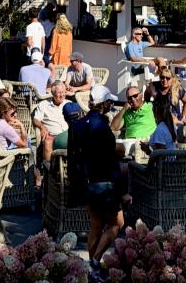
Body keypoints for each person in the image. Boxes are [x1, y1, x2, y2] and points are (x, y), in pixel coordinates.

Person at [70, 97, 126, 265]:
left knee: (95, 223)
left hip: (84, 181)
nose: (111, 105)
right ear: (104, 104)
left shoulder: (78, 124)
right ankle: (94, 260)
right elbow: (110, 162)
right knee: (117, 223)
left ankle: (91, 269)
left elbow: (73, 158)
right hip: (103, 182)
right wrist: (122, 191)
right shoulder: (102, 127)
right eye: (109, 102)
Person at [33, 82, 72, 160]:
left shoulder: (69, 104)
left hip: (68, 135)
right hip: (53, 136)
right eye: (59, 93)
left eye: (64, 92)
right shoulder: (44, 104)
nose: (62, 95)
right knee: (47, 142)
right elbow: (35, 119)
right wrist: (42, 126)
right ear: (53, 93)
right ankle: (48, 169)